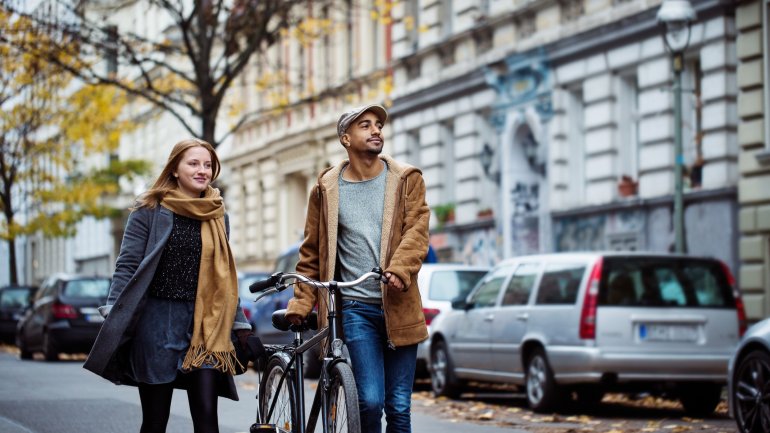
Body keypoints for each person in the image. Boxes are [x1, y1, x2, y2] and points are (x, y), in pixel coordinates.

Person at [83, 138, 253, 433]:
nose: (202, 170)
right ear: (174, 169)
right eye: (193, 163)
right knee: (155, 421)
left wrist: (241, 327)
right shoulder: (148, 210)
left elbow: (224, 275)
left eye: (208, 164)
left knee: (207, 420)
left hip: (204, 325)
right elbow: (127, 264)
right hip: (157, 323)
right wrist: (114, 308)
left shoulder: (216, 213)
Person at [285, 104, 431, 433]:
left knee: (398, 406)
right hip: (356, 308)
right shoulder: (326, 189)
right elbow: (311, 251)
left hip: (401, 306)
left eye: (378, 124)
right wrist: (302, 301)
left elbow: (417, 232)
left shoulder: (407, 179)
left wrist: (399, 268)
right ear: (345, 138)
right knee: (370, 400)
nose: (376, 130)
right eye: (365, 125)